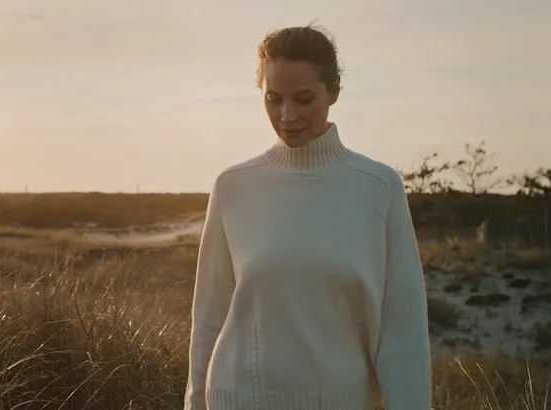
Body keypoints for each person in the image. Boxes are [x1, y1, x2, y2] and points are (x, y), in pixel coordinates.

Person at [184, 24, 431, 410]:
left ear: (333, 91)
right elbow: (208, 319)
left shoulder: (379, 188)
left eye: (303, 99)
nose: (287, 116)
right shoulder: (233, 186)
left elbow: (403, 329)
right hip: (238, 399)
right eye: (273, 99)